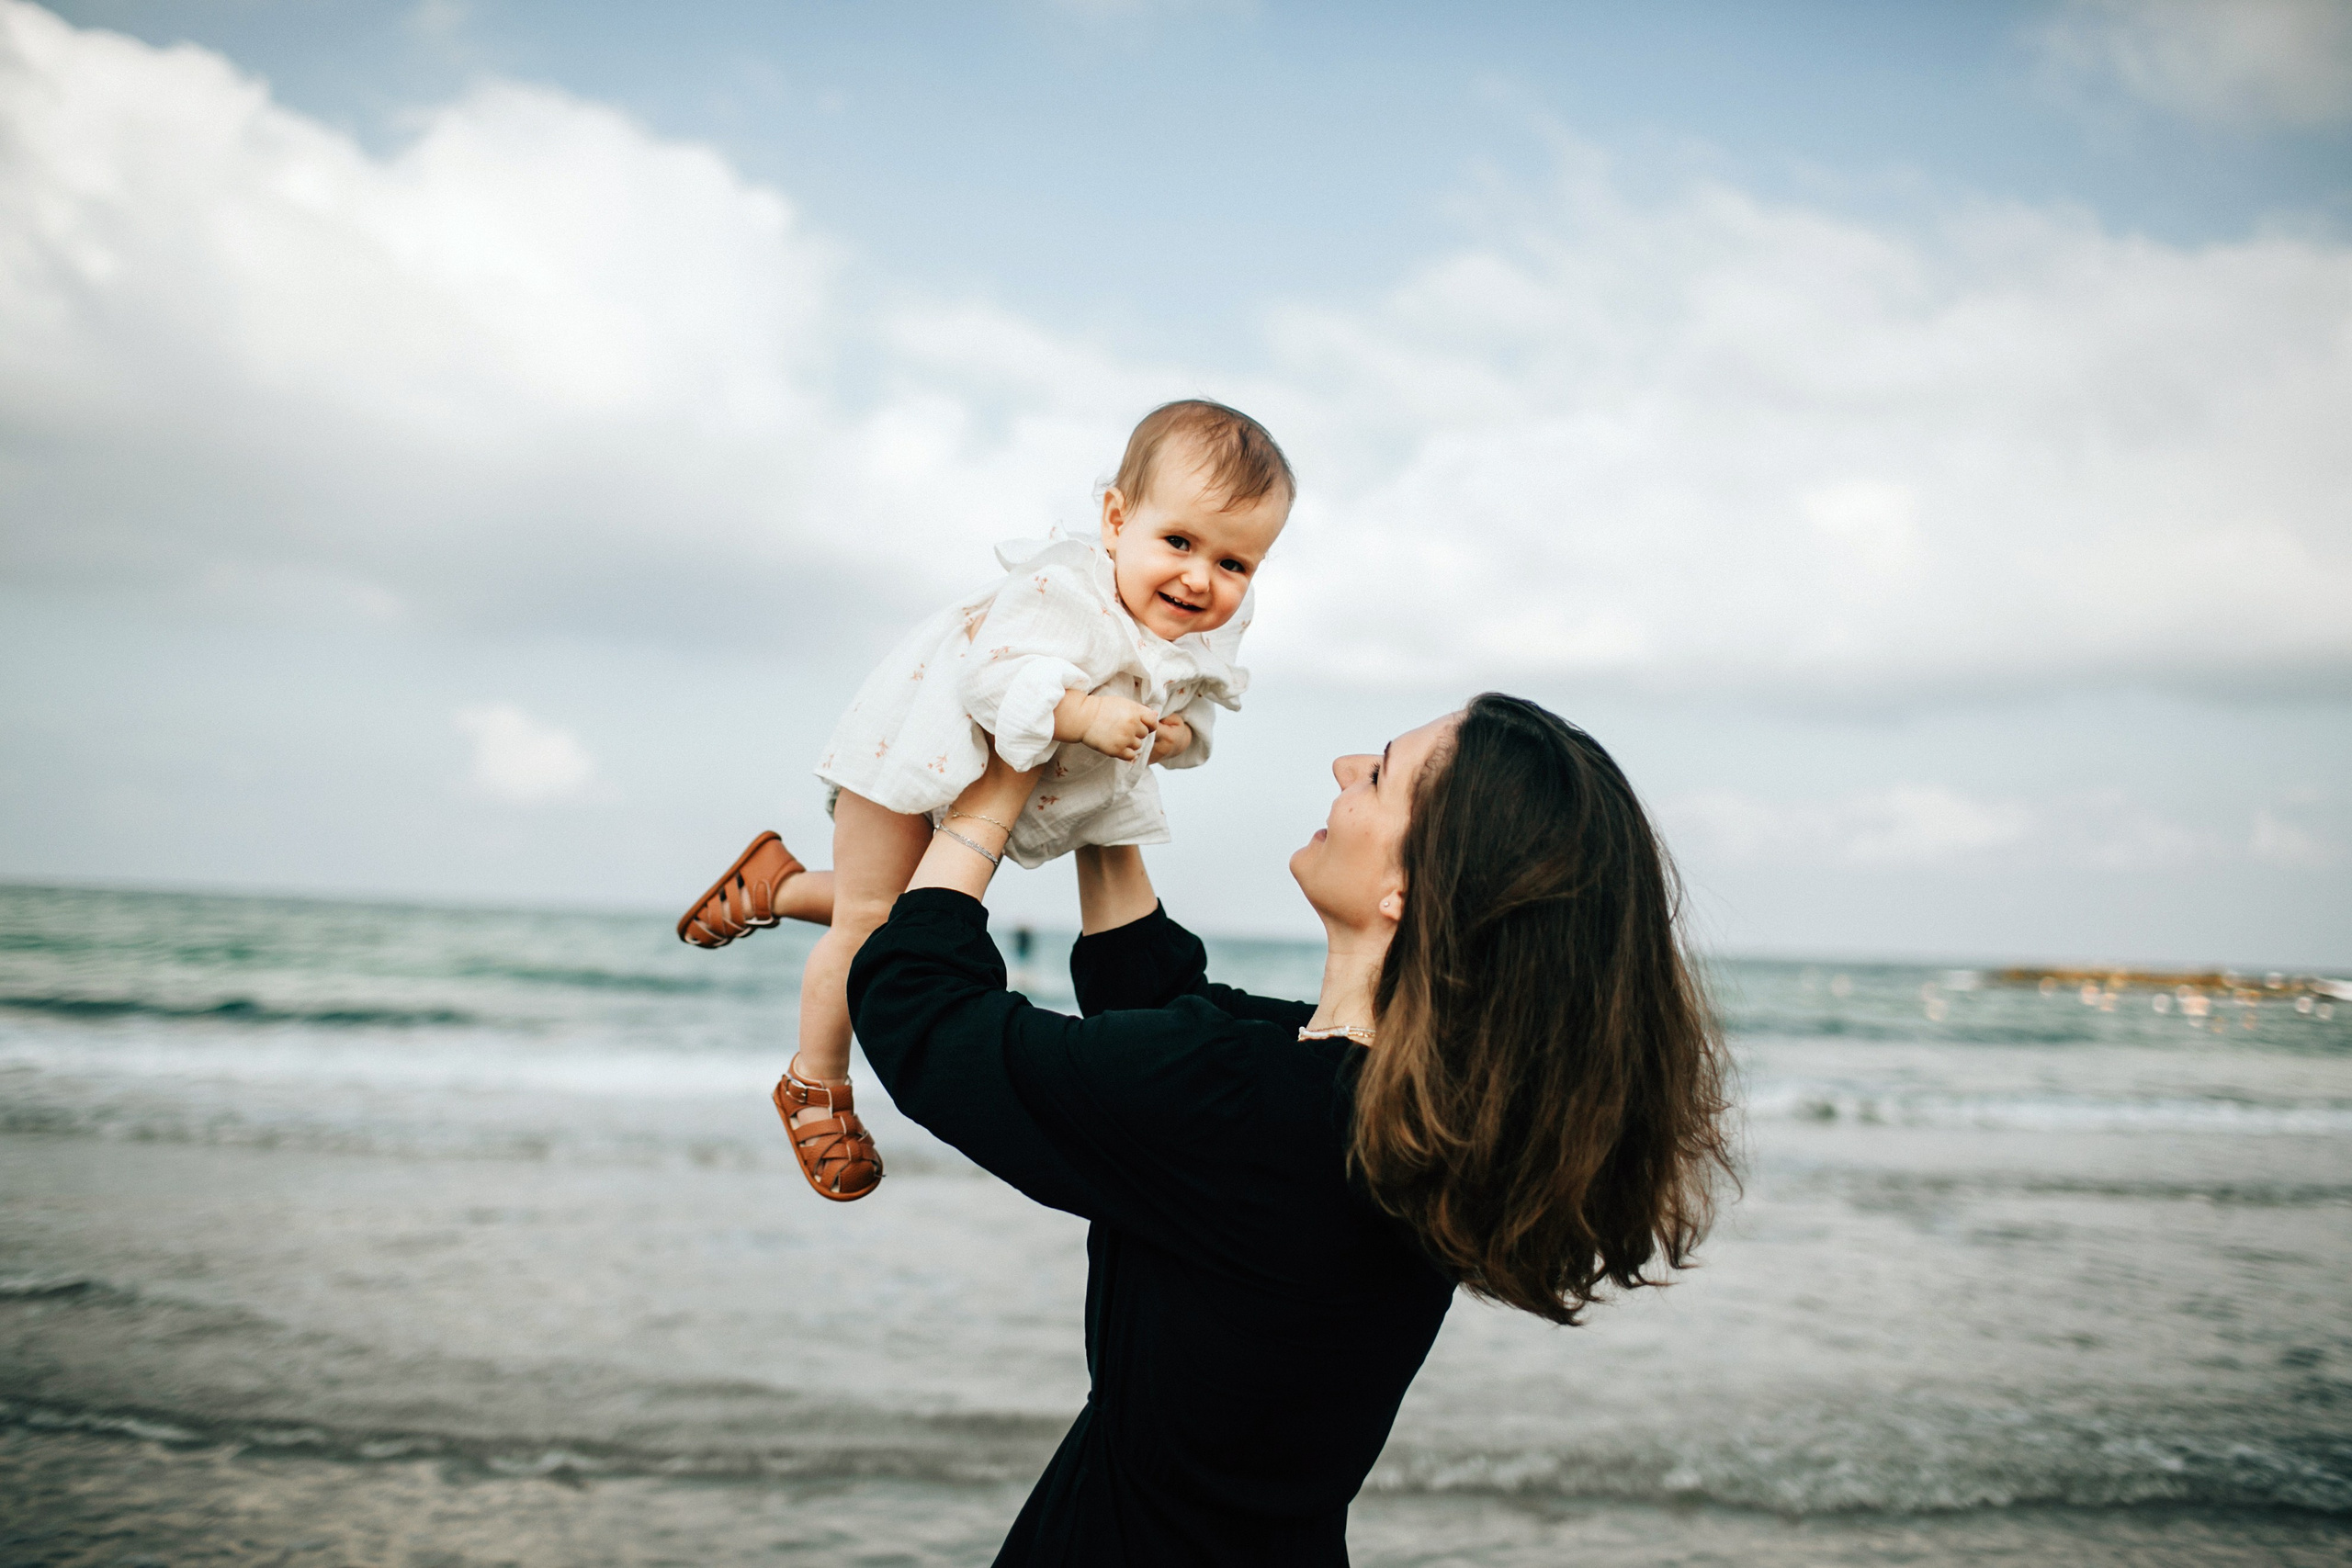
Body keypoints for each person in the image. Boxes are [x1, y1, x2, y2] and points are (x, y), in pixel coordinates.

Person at [839, 692, 1737, 1563]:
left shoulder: (1257, 1103)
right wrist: (1102, 792)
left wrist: (996, 790)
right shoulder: (1415, 1109)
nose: (1346, 768)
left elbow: (923, 1020)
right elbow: (1161, 1007)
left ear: (1409, 887)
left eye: (1380, 776)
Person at [673, 400, 1295, 1201]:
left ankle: (777, 886)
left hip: (981, 781)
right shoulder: (1062, 592)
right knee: (872, 920)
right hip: (915, 740)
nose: (1199, 578)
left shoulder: (1193, 631)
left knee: (903, 907)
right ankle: (814, 1083)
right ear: (1115, 520)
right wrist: (1083, 712)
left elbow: (1202, 709)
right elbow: (993, 678)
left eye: (1234, 565)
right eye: (1178, 542)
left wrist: (1178, 737)